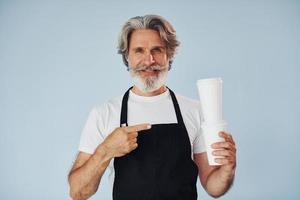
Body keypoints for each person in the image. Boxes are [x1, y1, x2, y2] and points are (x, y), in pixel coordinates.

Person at [68, 14, 236, 200]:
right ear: (127, 57)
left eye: (157, 50)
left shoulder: (194, 110)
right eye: (139, 51)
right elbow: (78, 192)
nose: (149, 60)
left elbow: (214, 187)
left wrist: (228, 169)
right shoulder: (104, 113)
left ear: (169, 55)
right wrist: (105, 150)